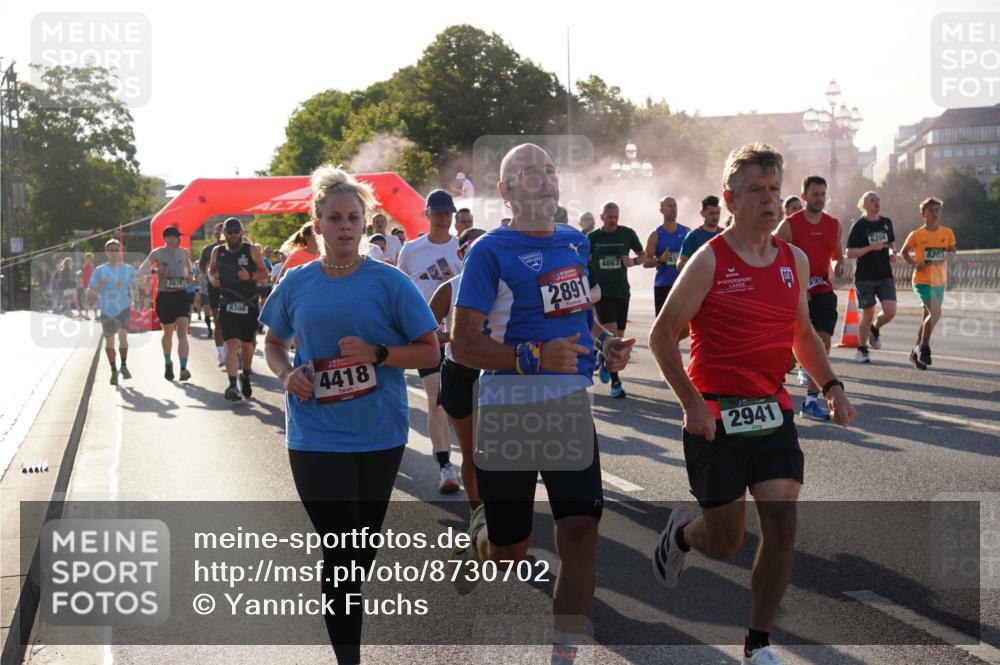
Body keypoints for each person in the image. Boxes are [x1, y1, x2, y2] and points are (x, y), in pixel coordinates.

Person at [648, 143, 856, 665]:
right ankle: (683, 533)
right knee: (724, 541)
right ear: (730, 199)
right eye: (756, 191)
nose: (768, 200)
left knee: (782, 525)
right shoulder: (709, 259)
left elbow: (802, 334)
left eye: (773, 190)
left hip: (771, 409)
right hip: (715, 414)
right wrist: (691, 403)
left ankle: (758, 642)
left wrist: (831, 385)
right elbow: (661, 336)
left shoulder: (794, 259)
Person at [451, 143, 633, 665]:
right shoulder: (489, 251)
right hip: (509, 409)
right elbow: (462, 343)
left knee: (580, 530)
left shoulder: (576, 242)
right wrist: (533, 357)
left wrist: (605, 345)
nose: (544, 180)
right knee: (510, 555)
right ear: (505, 193)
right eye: (528, 173)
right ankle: (484, 533)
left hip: (570, 406)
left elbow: (585, 317)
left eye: (550, 170)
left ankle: (564, 653)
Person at [260, 165, 439, 665]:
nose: (344, 226)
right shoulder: (296, 283)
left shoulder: (391, 283)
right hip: (315, 435)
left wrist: (378, 354)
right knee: (340, 553)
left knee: (359, 554)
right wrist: (284, 375)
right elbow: (274, 344)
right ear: (317, 224)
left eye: (353, 217)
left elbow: (429, 352)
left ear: (366, 223)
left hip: (379, 434)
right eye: (334, 217)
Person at [397, 189, 463, 492]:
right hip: (428, 338)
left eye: (447, 212)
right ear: (428, 214)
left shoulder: (463, 249)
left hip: (463, 337)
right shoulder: (411, 251)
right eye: (437, 212)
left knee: (469, 404)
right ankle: (446, 468)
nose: (443, 218)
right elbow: (399, 293)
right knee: (437, 402)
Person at [774, 176, 844, 421]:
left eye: (823, 194)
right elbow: (771, 254)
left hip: (823, 290)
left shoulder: (834, 224)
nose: (819, 199)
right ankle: (767, 388)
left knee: (822, 342)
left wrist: (836, 266)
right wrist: (791, 283)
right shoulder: (789, 225)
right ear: (803, 197)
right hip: (795, 292)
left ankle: (811, 402)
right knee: (791, 351)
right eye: (814, 194)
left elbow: (836, 254)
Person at [428, 226, 487, 511]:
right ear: (460, 253)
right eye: (470, 248)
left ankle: (504, 520)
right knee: (473, 455)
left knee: (499, 455)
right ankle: (479, 518)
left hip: (495, 376)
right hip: (459, 374)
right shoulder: (449, 288)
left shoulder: (503, 285)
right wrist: (453, 336)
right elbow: (424, 336)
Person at [588, 201, 645, 398]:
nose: (613, 221)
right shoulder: (593, 237)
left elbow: (644, 256)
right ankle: (616, 384)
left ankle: (603, 357)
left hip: (622, 292)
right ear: (602, 217)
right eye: (609, 217)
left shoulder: (627, 234)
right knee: (614, 338)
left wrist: (633, 262)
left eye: (616, 217)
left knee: (619, 336)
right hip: (603, 294)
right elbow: (584, 262)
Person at [209, 218, 268, 401]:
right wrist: (213, 279)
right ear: (224, 233)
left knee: (247, 345)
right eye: (230, 232)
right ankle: (233, 385)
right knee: (231, 343)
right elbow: (210, 271)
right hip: (227, 303)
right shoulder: (217, 251)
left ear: (242, 232)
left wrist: (249, 275)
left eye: (237, 231)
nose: (234, 235)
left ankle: (247, 374)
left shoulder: (251, 250)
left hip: (248, 304)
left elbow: (265, 273)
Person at [902, 197, 957, 370]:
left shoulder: (947, 233)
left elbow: (953, 253)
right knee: (936, 312)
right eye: (931, 210)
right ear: (923, 214)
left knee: (928, 317)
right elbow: (903, 252)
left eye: (937, 210)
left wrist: (950, 257)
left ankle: (914, 352)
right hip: (922, 281)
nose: (934, 213)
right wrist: (914, 264)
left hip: (939, 282)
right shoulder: (916, 234)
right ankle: (924, 347)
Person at [138, 226, 194, 381]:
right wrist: (157, 272)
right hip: (164, 297)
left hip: (181, 296)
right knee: (168, 333)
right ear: (168, 238)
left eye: (179, 236)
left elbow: (189, 267)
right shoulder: (157, 253)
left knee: (182, 331)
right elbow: (141, 271)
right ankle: (168, 363)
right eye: (176, 236)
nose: (179, 239)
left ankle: (183, 368)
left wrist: (189, 275)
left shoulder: (184, 252)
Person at [846, 191, 897, 362]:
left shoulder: (886, 222)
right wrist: (870, 248)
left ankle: (875, 329)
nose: (876, 202)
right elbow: (850, 252)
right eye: (872, 200)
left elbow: (890, 243)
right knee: (868, 314)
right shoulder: (859, 226)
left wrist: (892, 252)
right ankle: (862, 350)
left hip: (885, 275)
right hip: (865, 277)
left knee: (890, 311)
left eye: (878, 199)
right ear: (864, 204)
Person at [89, 239, 136, 385]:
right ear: (107, 252)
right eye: (112, 250)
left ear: (120, 251)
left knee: (123, 338)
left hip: (123, 308)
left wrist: (134, 301)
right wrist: (99, 285)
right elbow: (90, 290)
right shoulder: (100, 270)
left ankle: (123, 365)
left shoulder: (127, 269)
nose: (114, 252)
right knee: (109, 343)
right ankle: (114, 371)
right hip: (107, 310)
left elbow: (134, 286)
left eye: (117, 250)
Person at [644, 196, 689, 315]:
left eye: (675, 206)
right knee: (663, 326)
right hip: (663, 285)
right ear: (662, 210)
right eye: (670, 206)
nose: (673, 209)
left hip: (683, 284)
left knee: (683, 325)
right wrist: (660, 259)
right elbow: (645, 262)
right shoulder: (655, 235)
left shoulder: (686, 232)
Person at [676, 195, 722, 273]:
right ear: (702, 213)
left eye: (717, 213)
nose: (715, 217)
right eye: (711, 213)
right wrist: (698, 271)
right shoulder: (693, 236)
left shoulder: (725, 234)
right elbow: (680, 264)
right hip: (703, 282)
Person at [199, 222, 225, 358]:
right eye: (218, 231)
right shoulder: (208, 249)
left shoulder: (239, 248)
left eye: (223, 231)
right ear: (214, 234)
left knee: (233, 319)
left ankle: (234, 349)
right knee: (217, 320)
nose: (221, 234)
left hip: (233, 287)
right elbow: (202, 265)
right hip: (214, 286)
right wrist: (208, 276)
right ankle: (221, 353)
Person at [80, 253, 97, 319]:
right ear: (86, 259)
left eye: (90, 258)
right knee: (89, 300)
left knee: (93, 300)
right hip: (88, 285)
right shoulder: (86, 266)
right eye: (88, 258)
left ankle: (93, 315)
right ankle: (88, 315)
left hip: (91, 285)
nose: (89, 259)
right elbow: (85, 277)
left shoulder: (92, 266)